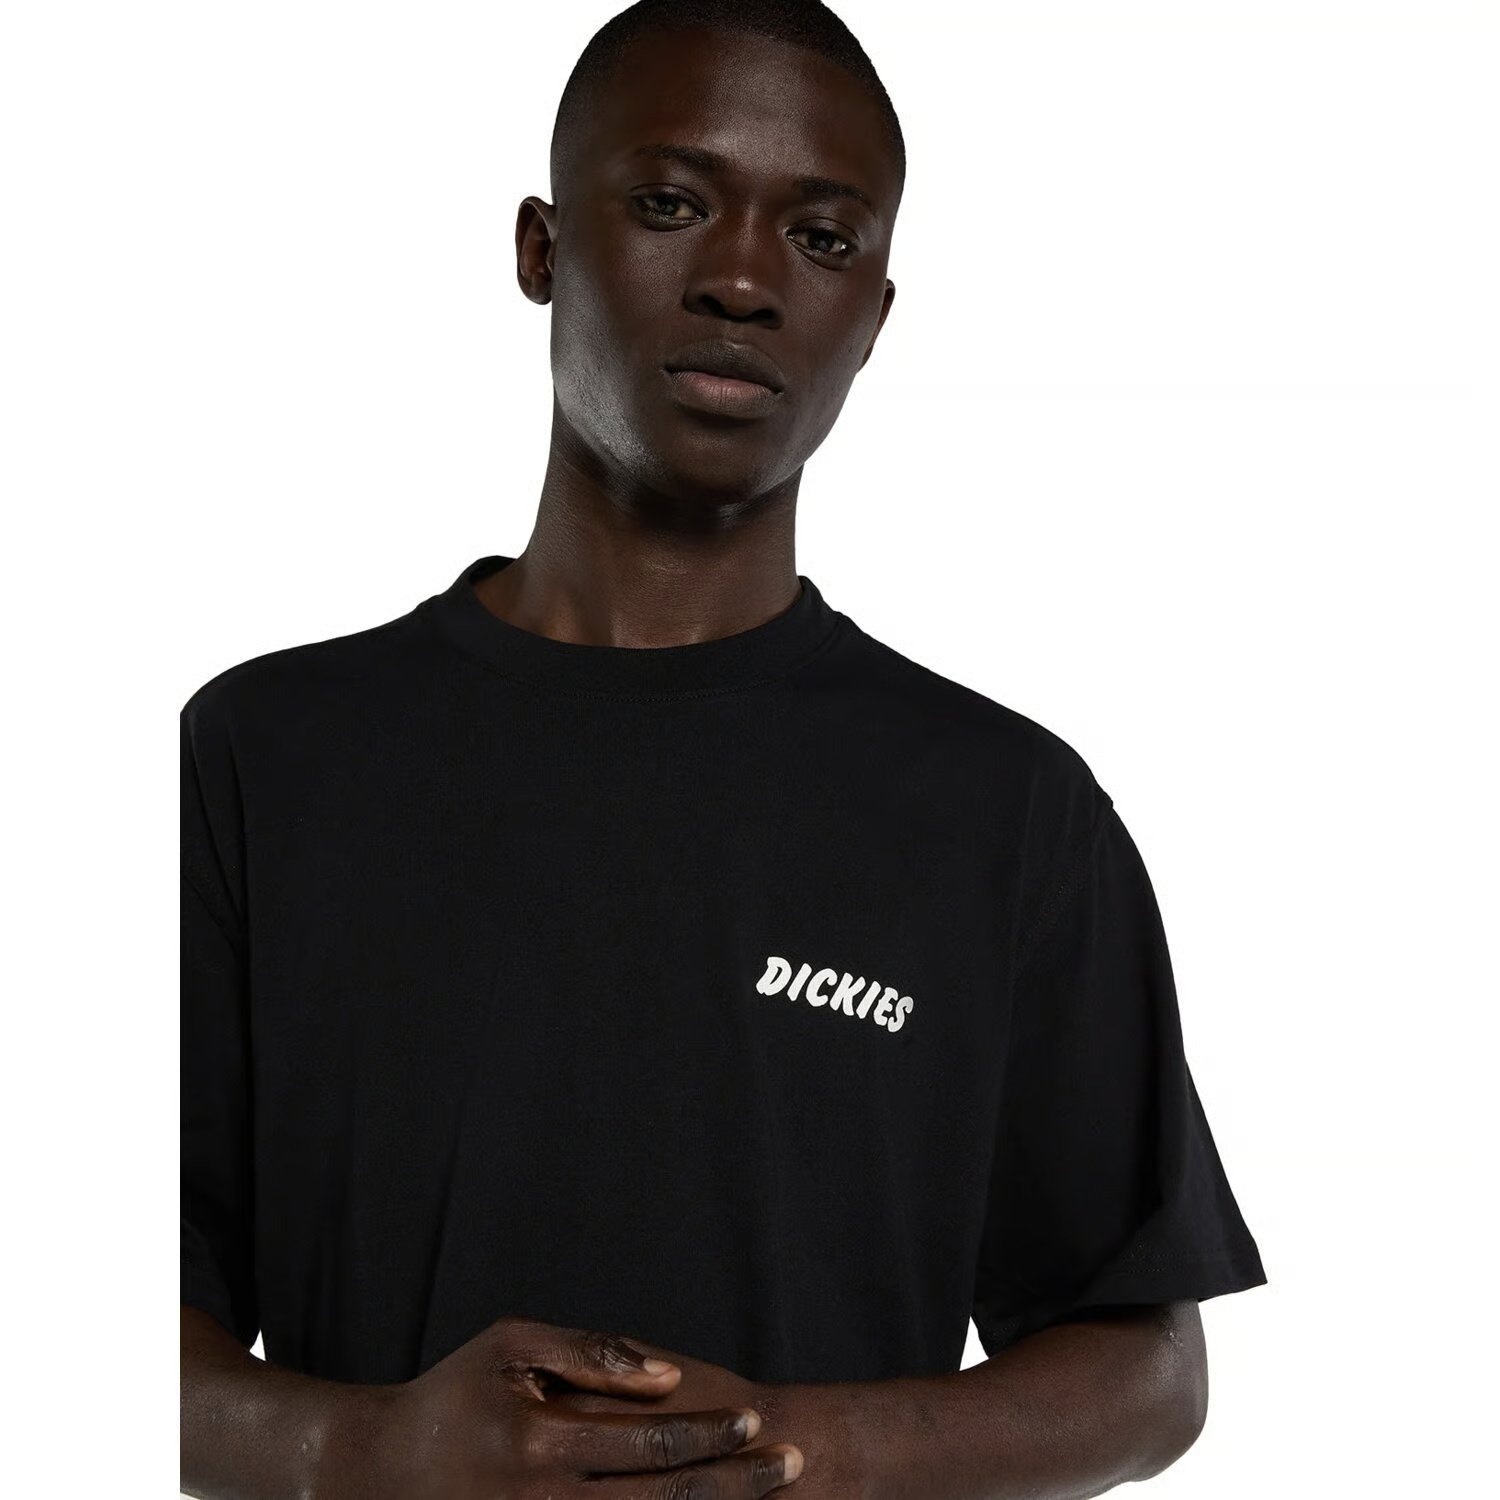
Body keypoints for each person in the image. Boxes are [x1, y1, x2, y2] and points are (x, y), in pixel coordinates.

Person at [180, 1, 1267, 1495]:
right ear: (541, 248)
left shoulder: (1005, 811)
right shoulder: (263, 759)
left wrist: (785, 1453)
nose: (745, 280)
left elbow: (1146, 1366)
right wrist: (356, 1451)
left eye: (821, 238)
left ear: (873, 316)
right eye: (673, 204)